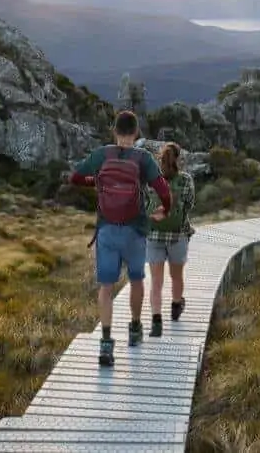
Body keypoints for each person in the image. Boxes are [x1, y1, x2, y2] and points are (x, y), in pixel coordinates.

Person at [69, 110, 172, 367]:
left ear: (114, 131)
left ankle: (105, 343)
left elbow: (75, 177)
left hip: (106, 231)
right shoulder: (143, 158)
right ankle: (135, 328)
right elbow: (162, 188)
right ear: (136, 133)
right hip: (135, 230)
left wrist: (96, 181)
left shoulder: (102, 154)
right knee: (137, 280)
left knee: (106, 287)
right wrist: (165, 209)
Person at [145, 142, 195, 337]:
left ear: (161, 159)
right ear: (178, 158)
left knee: (156, 281)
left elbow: (145, 204)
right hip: (178, 235)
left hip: (154, 235)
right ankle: (176, 307)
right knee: (176, 276)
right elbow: (189, 204)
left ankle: (156, 322)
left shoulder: (151, 180)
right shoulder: (185, 180)